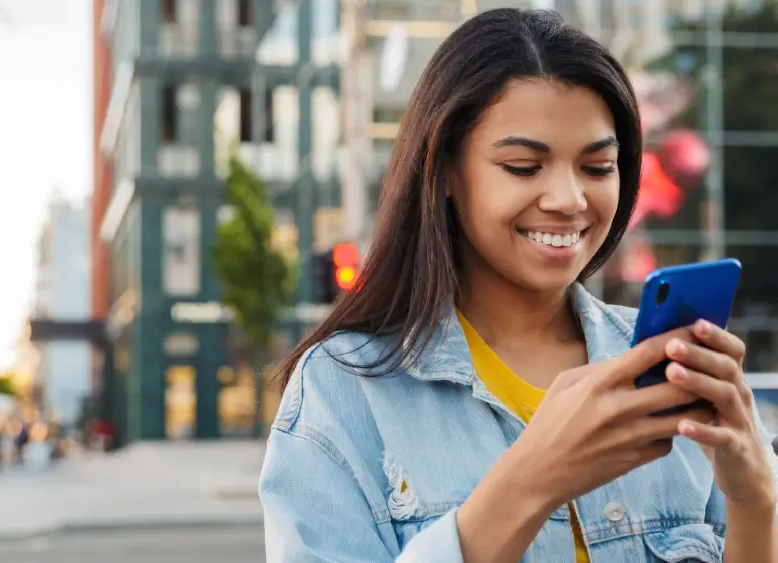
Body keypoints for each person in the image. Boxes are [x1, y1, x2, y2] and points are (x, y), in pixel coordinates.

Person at [259, 8, 778, 563]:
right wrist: (530, 482)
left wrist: (757, 502)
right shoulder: (345, 386)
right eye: (524, 166)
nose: (569, 199)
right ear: (446, 174)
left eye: (597, 167)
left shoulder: (665, 366)